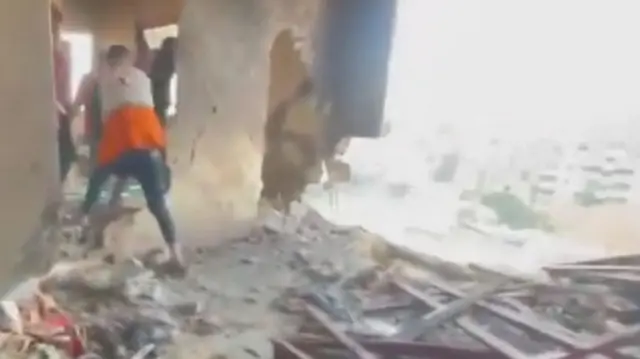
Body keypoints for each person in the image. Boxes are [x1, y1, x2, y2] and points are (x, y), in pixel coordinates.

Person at [78, 44, 181, 267]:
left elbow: (107, 115)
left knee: (98, 182)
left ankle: (85, 221)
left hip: (123, 145)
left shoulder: (105, 81)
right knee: (156, 203)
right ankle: (176, 254)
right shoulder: (141, 77)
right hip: (144, 144)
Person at [51, 4, 76, 183]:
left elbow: (63, 87)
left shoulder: (58, 54)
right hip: (52, 111)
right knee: (63, 158)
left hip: (60, 111)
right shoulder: (49, 55)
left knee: (66, 157)